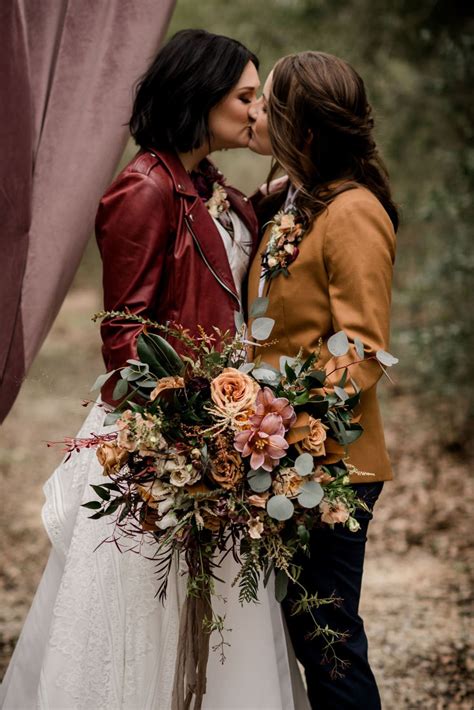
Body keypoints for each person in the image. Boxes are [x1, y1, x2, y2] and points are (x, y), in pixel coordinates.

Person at [0, 31, 308, 710]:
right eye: (246, 98)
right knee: (142, 613)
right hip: (165, 435)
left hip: (224, 428)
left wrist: (294, 158)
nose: (257, 113)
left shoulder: (204, 183)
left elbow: (235, 245)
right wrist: (190, 422)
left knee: (225, 617)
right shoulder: (142, 189)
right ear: (200, 97)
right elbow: (125, 333)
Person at [247, 51, 398, 709]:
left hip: (334, 466)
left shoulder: (354, 211)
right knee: (308, 636)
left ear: (302, 130)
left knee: (329, 642)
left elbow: (364, 349)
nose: (256, 114)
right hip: (286, 461)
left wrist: (279, 412)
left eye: (267, 105)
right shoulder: (300, 200)